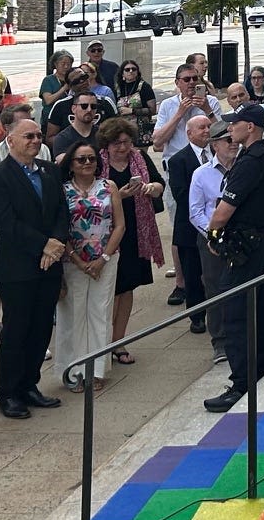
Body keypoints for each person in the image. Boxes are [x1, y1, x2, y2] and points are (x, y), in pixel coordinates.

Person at [0, 117, 69, 417]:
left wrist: (56, 243)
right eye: (28, 136)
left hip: (49, 264)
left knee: (41, 327)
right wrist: (43, 244)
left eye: (38, 136)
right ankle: (8, 393)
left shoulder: (49, 171)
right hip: (17, 267)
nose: (35, 141)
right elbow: (5, 221)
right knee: (17, 331)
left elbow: (61, 210)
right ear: (11, 140)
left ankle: (30, 384)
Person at [204, 103, 264, 412]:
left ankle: (240, 381)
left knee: (236, 310)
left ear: (250, 127)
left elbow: (223, 211)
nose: (230, 129)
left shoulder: (250, 162)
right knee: (262, 303)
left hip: (243, 246)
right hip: (261, 242)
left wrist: (212, 235)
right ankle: (262, 364)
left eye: (235, 123)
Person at [52, 140, 121, 393]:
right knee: (72, 315)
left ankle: (98, 369)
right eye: (81, 159)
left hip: (106, 258)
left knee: (100, 313)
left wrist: (103, 258)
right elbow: (60, 227)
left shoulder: (108, 186)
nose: (87, 163)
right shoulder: (62, 190)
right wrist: (78, 260)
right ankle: (73, 371)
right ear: (71, 164)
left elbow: (119, 225)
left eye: (91, 158)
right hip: (73, 260)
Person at [98, 120, 162, 366]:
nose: (123, 147)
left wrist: (148, 188)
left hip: (137, 229)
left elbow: (158, 186)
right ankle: (103, 343)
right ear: (107, 144)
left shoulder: (139, 159)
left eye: (126, 142)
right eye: (117, 143)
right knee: (111, 289)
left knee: (127, 288)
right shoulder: (97, 162)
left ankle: (119, 340)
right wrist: (119, 196)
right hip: (109, 231)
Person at [188, 125, 235, 367]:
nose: (233, 142)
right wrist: (214, 234)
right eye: (228, 140)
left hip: (240, 238)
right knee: (215, 289)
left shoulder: (244, 169)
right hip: (212, 239)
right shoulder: (201, 174)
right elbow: (195, 212)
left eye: (234, 138)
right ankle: (219, 342)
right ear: (215, 145)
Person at [166, 113, 213, 326]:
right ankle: (196, 317)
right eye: (201, 128)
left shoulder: (218, 153)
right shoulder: (178, 160)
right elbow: (181, 194)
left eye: (208, 127)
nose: (206, 131)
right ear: (189, 133)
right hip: (189, 226)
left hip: (216, 223)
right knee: (193, 275)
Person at [48, 89, 104, 157]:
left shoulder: (102, 134)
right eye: (84, 106)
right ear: (73, 109)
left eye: (93, 106)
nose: (89, 110)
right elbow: (63, 164)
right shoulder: (62, 138)